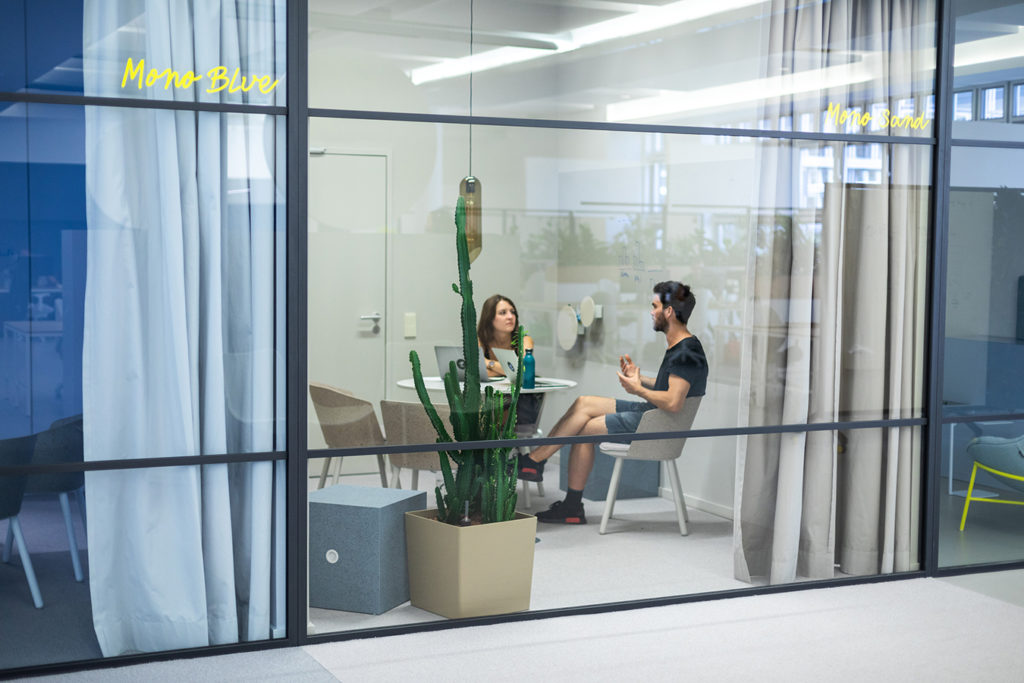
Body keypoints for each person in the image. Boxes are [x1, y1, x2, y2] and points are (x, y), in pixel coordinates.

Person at [517, 281, 708, 524]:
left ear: (669, 311)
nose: (651, 312)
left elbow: (673, 403)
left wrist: (637, 389)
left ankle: (565, 498)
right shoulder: (681, 347)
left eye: (655, 306)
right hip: (652, 413)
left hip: (657, 425)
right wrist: (640, 380)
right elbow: (670, 390)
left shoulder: (686, 352)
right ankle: (536, 462)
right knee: (583, 403)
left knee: (583, 429)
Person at [477, 293, 543, 432]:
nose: (510, 316)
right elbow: (476, 370)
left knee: (504, 402)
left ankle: (506, 445)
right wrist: (506, 370)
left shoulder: (524, 340)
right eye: (503, 313)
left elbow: (520, 371)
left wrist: (490, 364)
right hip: (488, 398)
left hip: (520, 400)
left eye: (512, 312)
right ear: (489, 318)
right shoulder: (481, 340)